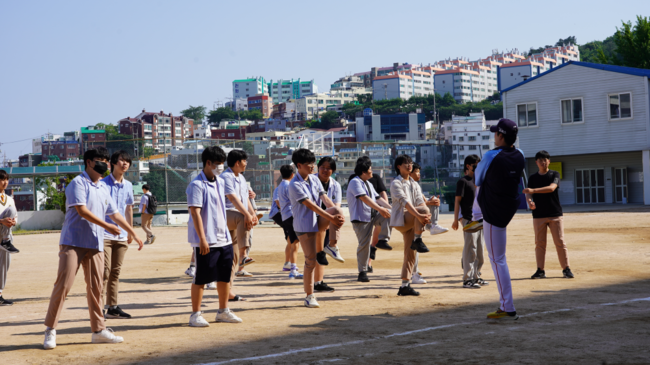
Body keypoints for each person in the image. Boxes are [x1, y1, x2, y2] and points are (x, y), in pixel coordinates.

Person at [43, 147, 144, 350]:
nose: (105, 164)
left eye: (106, 161)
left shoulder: (103, 187)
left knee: (97, 288)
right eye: (100, 160)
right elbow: (82, 211)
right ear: (89, 162)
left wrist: (133, 232)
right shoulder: (77, 183)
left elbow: (115, 214)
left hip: (95, 243)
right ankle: (50, 330)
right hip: (73, 242)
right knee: (64, 285)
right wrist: (107, 226)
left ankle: (98, 330)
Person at [186, 146, 243, 327]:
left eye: (222, 163)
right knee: (201, 278)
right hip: (206, 239)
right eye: (217, 163)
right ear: (208, 163)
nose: (220, 167)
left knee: (225, 277)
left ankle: (223, 311)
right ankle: (195, 314)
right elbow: (195, 213)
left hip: (223, 238)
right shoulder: (196, 185)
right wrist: (202, 239)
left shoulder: (220, 182)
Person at [475, 118, 526, 320]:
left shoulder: (490, 155)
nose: (494, 135)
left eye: (496, 133)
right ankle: (478, 218)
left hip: (493, 211)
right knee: (499, 258)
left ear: (501, 136)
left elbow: (477, 178)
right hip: (508, 208)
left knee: (497, 260)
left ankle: (508, 306)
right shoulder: (520, 154)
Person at [288, 149, 345, 308]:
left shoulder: (314, 180)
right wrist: (330, 218)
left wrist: (336, 216)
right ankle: (309, 295)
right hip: (304, 226)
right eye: (309, 164)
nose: (313, 166)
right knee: (310, 261)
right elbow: (311, 206)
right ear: (299, 165)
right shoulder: (295, 184)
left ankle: (332, 246)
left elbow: (324, 199)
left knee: (337, 210)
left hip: (317, 221)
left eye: (313, 163)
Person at [102, 151, 144, 319]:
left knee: (115, 272)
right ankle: (98, 308)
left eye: (127, 161)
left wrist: (130, 231)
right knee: (104, 272)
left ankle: (113, 306)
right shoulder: (103, 184)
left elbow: (128, 209)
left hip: (121, 236)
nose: (125, 164)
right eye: (121, 160)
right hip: (105, 233)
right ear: (113, 163)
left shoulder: (128, 185)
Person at [523, 150, 574, 280]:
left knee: (560, 242)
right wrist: (529, 201)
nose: (543, 162)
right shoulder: (533, 178)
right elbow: (529, 193)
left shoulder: (554, 174)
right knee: (540, 244)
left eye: (545, 160)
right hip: (538, 215)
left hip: (554, 214)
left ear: (549, 161)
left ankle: (566, 269)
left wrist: (533, 191)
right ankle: (540, 270)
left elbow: (551, 188)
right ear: (536, 162)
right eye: (540, 160)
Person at [390, 155, 431, 296]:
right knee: (424, 210)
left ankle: (404, 286)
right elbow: (406, 203)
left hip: (413, 220)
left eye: (410, 163)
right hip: (401, 220)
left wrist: (424, 216)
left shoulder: (414, 184)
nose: (409, 165)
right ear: (398, 166)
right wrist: (421, 215)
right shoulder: (396, 183)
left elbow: (420, 201)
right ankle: (418, 239)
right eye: (405, 163)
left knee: (410, 253)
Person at [347, 159, 391, 282]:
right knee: (364, 245)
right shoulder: (355, 182)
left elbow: (378, 198)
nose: (372, 172)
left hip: (372, 216)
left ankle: (383, 240)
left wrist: (390, 208)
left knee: (390, 214)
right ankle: (362, 271)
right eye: (370, 170)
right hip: (360, 219)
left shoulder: (368, 183)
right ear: (363, 172)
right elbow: (364, 198)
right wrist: (380, 209)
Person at [451, 155, 488, 289]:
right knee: (470, 249)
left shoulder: (479, 180)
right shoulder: (463, 181)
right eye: (475, 165)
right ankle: (467, 279)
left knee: (480, 250)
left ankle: (476, 276)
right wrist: (456, 219)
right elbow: (457, 201)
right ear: (468, 166)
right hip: (469, 219)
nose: (477, 167)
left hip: (481, 219)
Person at [221, 150, 258, 278]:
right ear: (237, 163)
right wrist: (247, 215)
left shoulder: (241, 177)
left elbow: (245, 198)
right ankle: (244, 256)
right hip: (224, 214)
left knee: (232, 255)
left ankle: (229, 284)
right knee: (243, 218)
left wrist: (252, 213)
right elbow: (232, 199)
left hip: (235, 216)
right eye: (244, 161)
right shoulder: (226, 177)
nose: (246, 163)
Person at [409, 162, 446, 285]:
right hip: (412, 218)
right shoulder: (408, 184)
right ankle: (414, 274)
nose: (419, 174)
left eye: (419, 172)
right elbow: (412, 205)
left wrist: (432, 202)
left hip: (416, 218)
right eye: (417, 172)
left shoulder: (416, 185)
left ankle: (433, 225)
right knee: (413, 247)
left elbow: (423, 202)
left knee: (415, 246)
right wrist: (430, 203)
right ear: (410, 172)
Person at [276, 165, 302, 279]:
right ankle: (293, 270)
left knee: (292, 242)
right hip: (292, 215)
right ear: (292, 174)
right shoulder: (289, 185)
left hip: (285, 216)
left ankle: (292, 268)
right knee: (295, 243)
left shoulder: (281, 185)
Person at [316, 157, 344, 264]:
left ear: (333, 171)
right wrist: (332, 217)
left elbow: (336, 205)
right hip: (313, 216)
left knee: (338, 212)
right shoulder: (312, 180)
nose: (325, 170)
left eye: (329, 168)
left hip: (328, 219)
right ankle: (331, 247)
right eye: (323, 167)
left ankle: (319, 281)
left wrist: (334, 217)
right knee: (313, 255)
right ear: (318, 168)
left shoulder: (336, 185)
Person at [0, 170, 17, 306]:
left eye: (6, 179)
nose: (5, 182)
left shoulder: (10, 199)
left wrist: (12, 222)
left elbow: (15, 217)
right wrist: (2, 221)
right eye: (2, 179)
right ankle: (5, 241)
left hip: (6, 236)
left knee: (4, 266)